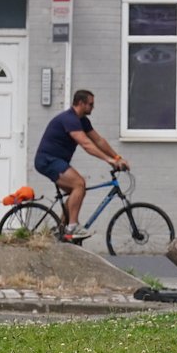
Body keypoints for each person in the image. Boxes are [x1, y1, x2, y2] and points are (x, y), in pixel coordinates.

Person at [33, 89, 129, 241]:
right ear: (81, 103)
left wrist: (117, 157)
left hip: (57, 161)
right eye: (90, 104)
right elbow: (86, 144)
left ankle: (61, 229)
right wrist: (109, 161)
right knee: (79, 183)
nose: (93, 107)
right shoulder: (69, 119)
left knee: (77, 191)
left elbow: (98, 141)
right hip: (48, 160)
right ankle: (72, 227)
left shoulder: (82, 120)